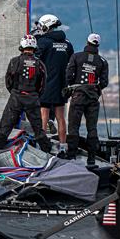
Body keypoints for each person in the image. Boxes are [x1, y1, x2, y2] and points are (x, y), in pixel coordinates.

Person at [0, 35, 51, 152]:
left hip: (16, 97)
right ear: (34, 47)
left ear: (22, 46)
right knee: (38, 128)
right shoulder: (40, 64)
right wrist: (34, 95)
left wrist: (15, 92)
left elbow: (8, 81)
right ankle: (47, 151)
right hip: (32, 98)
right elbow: (43, 85)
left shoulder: (15, 61)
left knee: (6, 125)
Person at [64, 33, 109, 165]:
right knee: (92, 128)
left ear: (87, 42)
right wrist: (95, 89)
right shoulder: (102, 61)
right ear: (98, 45)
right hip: (93, 98)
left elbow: (69, 75)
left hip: (78, 96)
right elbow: (104, 82)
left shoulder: (76, 56)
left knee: (73, 126)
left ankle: (71, 155)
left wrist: (73, 87)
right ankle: (91, 158)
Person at [34, 14, 74, 146]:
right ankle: (63, 145)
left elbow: (36, 60)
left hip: (47, 85)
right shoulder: (67, 43)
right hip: (62, 85)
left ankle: (42, 145)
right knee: (61, 117)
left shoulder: (43, 42)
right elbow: (70, 62)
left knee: (43, 115)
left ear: (46, 26)